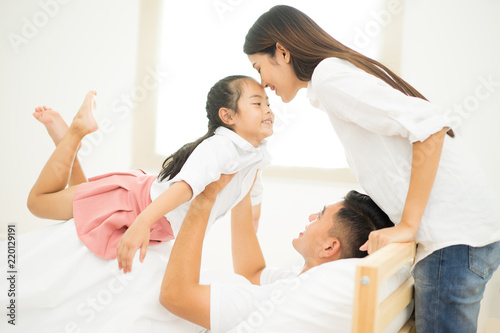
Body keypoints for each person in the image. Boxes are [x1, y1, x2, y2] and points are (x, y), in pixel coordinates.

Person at [242, 5, 500, 332]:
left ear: (282, 52)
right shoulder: (337, 74)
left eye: (259, 67)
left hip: (453, 239)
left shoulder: (328, 77)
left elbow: (431, 127)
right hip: (467, 233)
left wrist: (407, 225)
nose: (263, 83)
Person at [27, 74, 274, 273]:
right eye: (257, 103)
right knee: (38, 203)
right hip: (134, 204)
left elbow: (251, 206)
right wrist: (142, 222)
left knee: (80, 214)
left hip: (149, 210)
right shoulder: (222, 146)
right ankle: (73, 135)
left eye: (268, 104)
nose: (268, 110)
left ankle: (67, 145)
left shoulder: (254, 155)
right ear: (228, 116)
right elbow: (186, 186)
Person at [160, 174, 398, 332]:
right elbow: (252, 273)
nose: (310, 218)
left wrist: (204, 200)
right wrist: (243, 191)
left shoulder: (295, 298)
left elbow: (175, 296)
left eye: (320, 215)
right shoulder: (303, 279)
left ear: (329, 247)